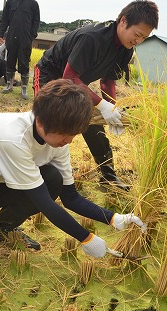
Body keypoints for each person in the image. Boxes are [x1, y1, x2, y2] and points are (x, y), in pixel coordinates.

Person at [0, 79, 146, 258]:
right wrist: (86, 238)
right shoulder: (11, 137)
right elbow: (44, 203)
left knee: (53, 178)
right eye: (65, 134)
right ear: (40, 122)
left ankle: (3, 230)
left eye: (74, 135)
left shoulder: (58, 144)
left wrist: (114, 218)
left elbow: (70, 197)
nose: (69, 141)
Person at [33, 1, 159, 191]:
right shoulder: (92, 37)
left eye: (144, 38)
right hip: (49, 75)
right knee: (50, 122)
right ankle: (36, 170)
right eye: (137, 35)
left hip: (76, 81)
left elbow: (107, 81)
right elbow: (68, 78)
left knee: (92, 123)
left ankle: (108, 176)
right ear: (123, 21)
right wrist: (101, 104)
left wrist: (112, 110)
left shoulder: (125, 49)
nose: (138, 41)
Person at [0, 0, 40, 99]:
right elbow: (4, 19)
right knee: (10, 60)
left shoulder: (33, 3)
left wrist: (31, 36)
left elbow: (36, 21)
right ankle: (9, 84)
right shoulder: (10, 2)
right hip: (12, 35)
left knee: (24, 61)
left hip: (25, 37)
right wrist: (1, 34)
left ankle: (24, 87)